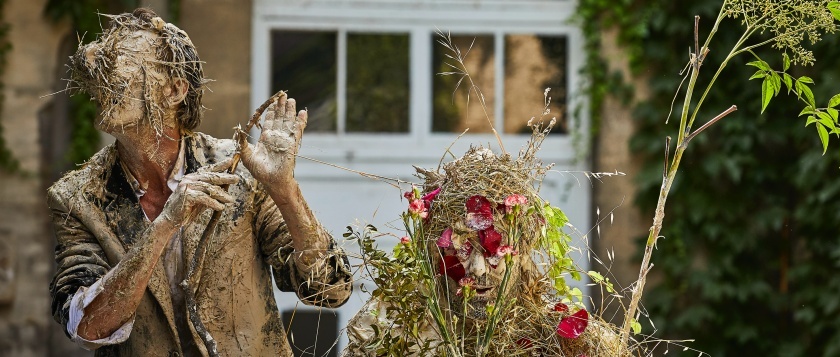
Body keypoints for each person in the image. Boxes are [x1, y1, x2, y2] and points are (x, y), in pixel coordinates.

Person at [47, 8, 351, 356]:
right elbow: (86, 327)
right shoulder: (76, 197)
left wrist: (284, 190)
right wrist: (163, 227)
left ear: (175, 90)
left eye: (127, 58)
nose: (108, 71)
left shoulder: (240, 170)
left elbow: (330, 291)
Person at [342, 141, 624, 356]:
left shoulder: (566, 342)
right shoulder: (388, 333)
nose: (476, 269)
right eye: (462, 248)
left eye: (494, 250)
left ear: (523, 249)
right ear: (433, 253)